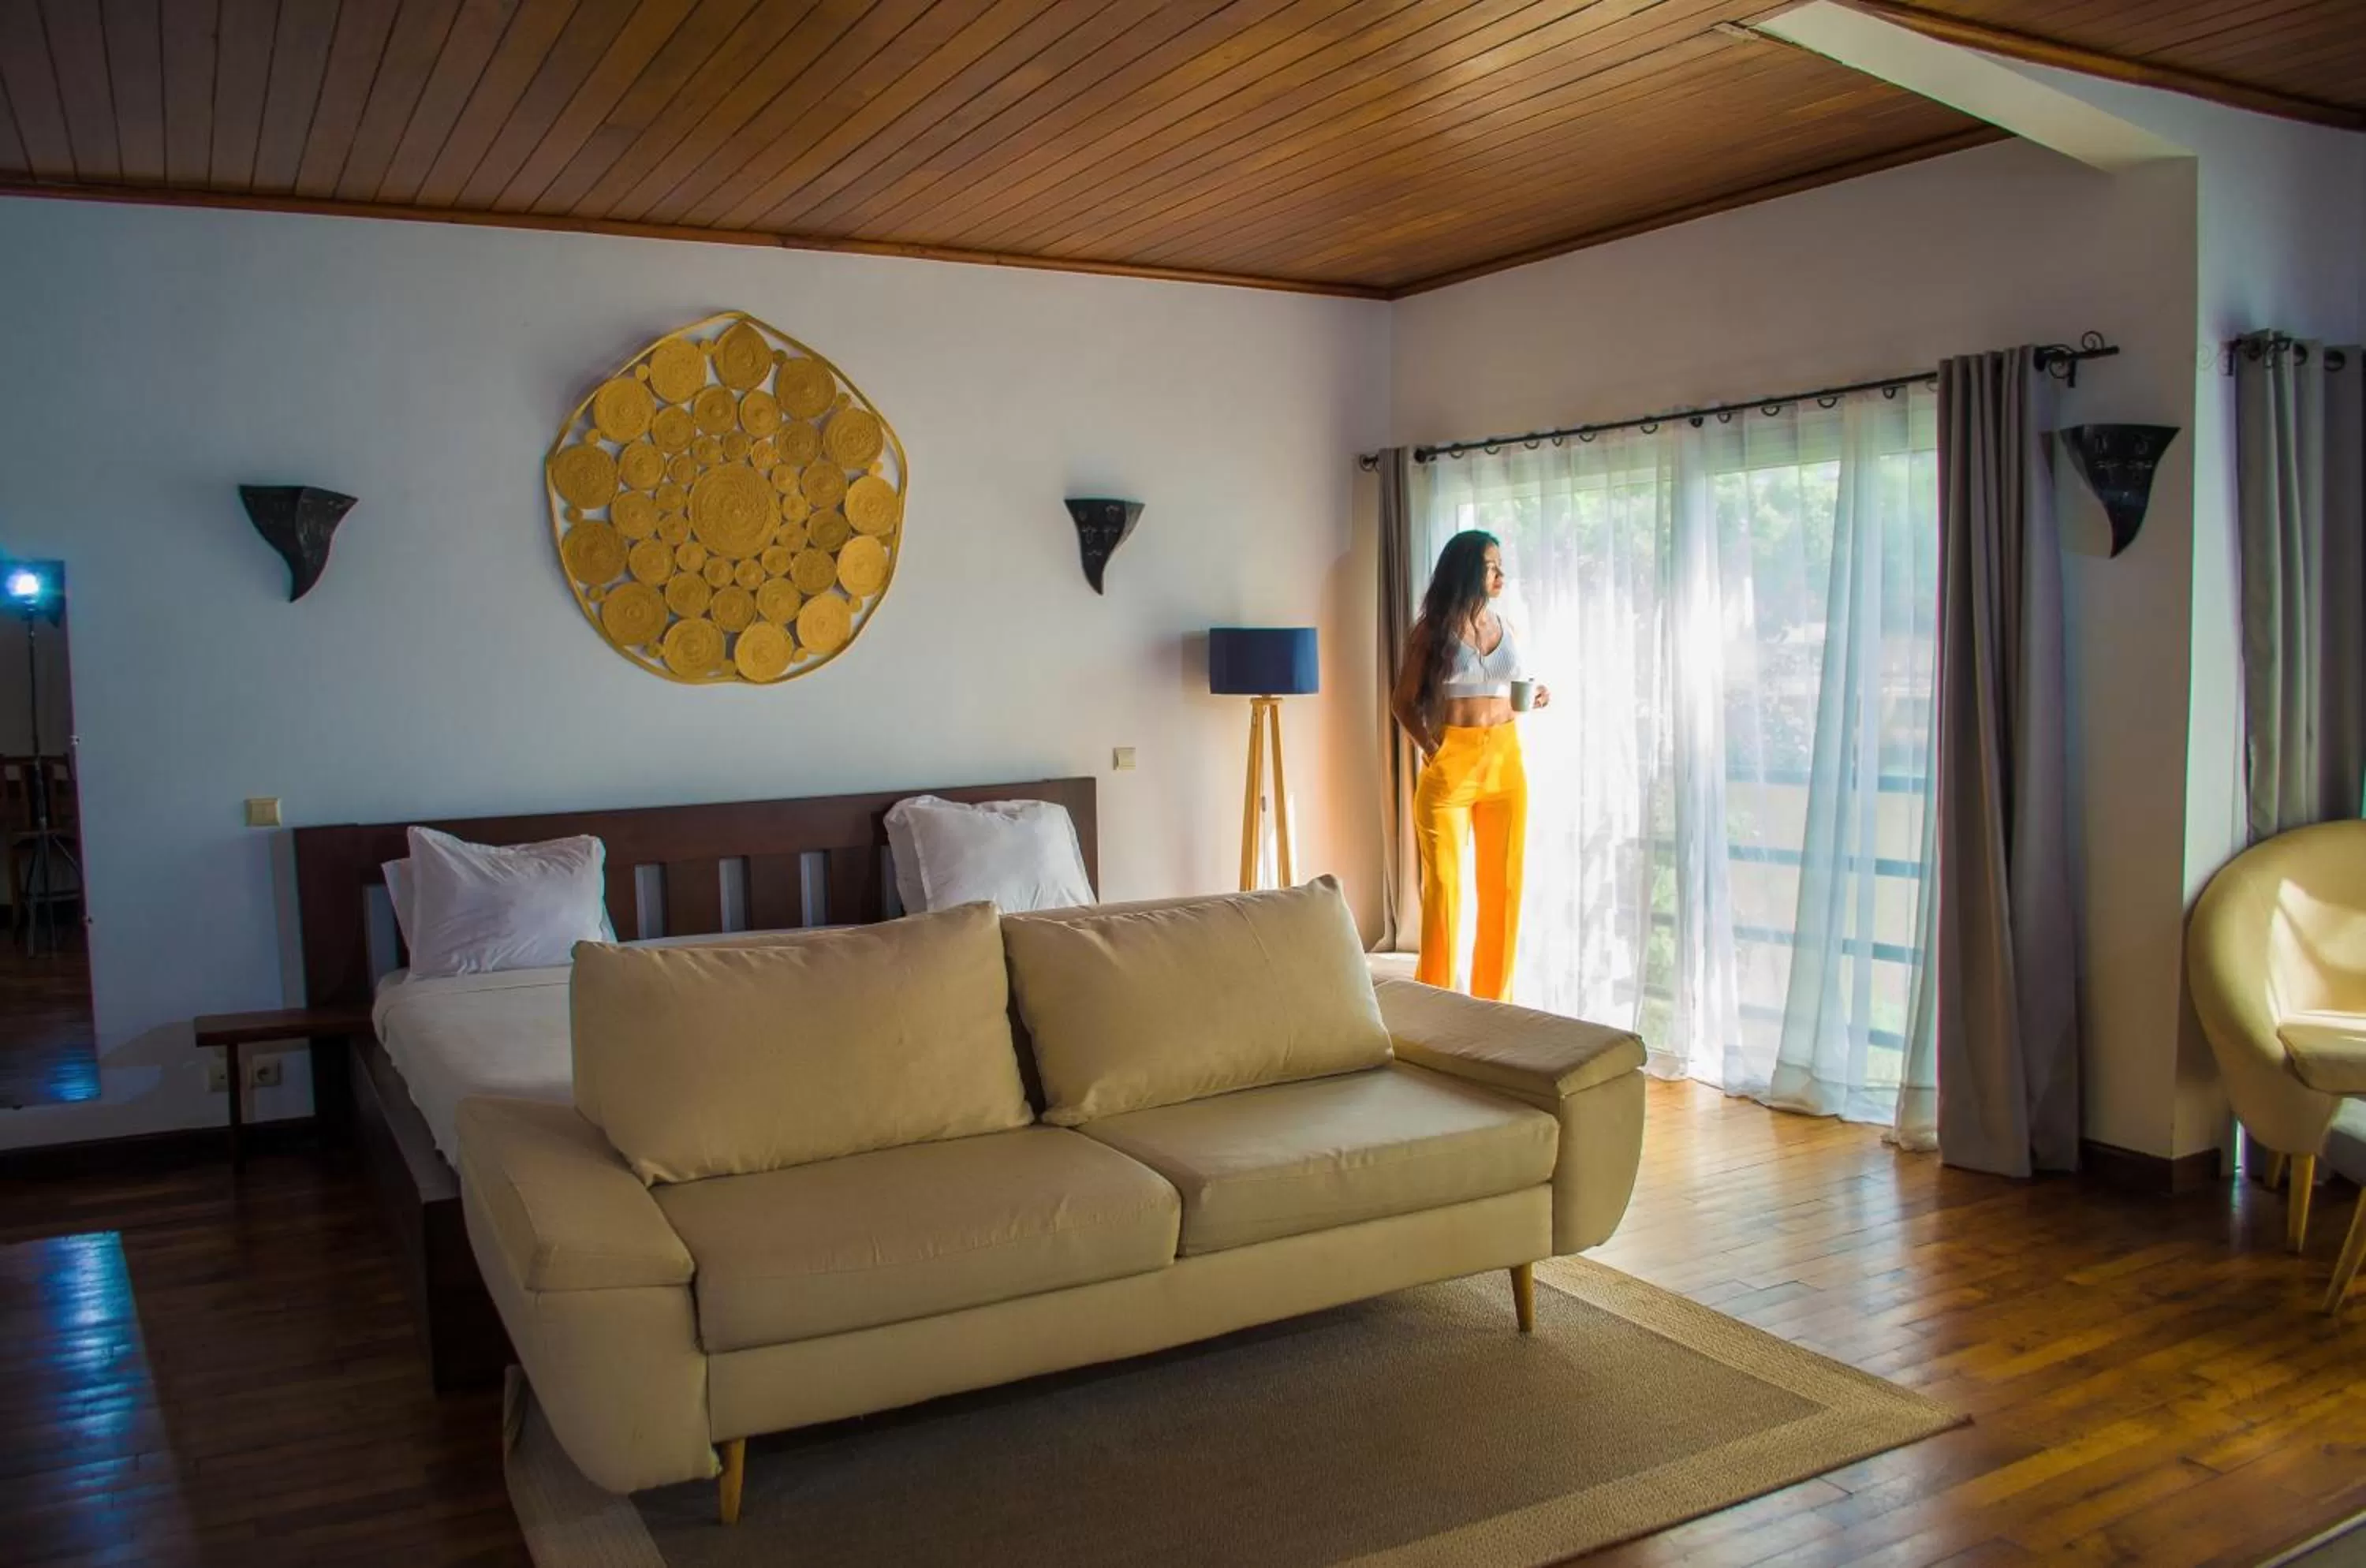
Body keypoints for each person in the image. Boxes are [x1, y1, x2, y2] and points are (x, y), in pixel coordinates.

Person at [1389, 531, 1547, 1001]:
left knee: (1504, 889)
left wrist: (1535, 697)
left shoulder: (1507, 627)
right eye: (1490, 565)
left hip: (1505, 761)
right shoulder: (1431, 632)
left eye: (1501, 565)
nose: (1500, 574)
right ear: (1465, 570)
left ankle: (1494, 1007)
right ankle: (1437, 1006)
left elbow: (1511, 691)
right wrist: (1431, 747)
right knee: (1445, 892)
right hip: (1451, 765)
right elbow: (1402, 702)